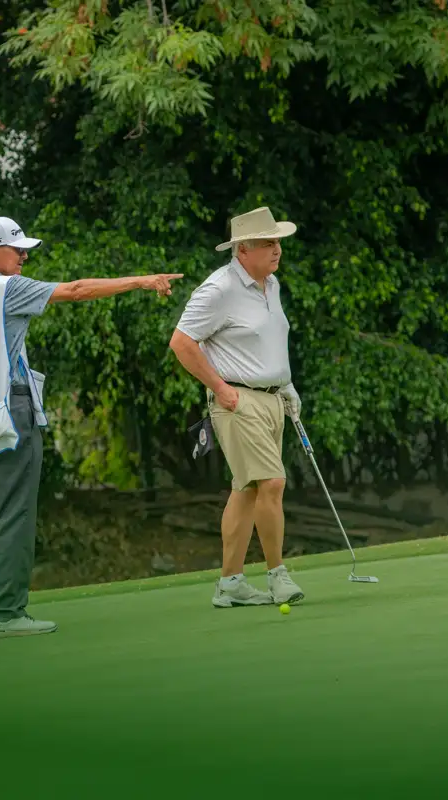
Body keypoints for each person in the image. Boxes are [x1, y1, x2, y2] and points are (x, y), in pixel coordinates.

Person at [0, 215, 183, 639]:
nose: (24, 256)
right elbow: (76, 290)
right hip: (12, 409)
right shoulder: (8, 288)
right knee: (17, 511)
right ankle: (7, 613)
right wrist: (141, 280)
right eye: (17, 249)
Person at [169, 206, 306, 608]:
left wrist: (287, 386)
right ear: (242, 250)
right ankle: (278, 575)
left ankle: (230, 583)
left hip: (273, 398)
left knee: (246, 489)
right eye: (267, 243)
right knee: (272, 483)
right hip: (237, 399)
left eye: (277, 241)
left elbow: (269, 343)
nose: (276, 249)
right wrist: (220, 388)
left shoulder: (271, 284)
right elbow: (182, 342)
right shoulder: (219, 288)